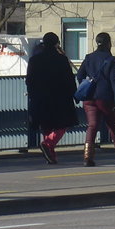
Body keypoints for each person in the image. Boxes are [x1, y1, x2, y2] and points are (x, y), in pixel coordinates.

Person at [76, 32, 115, 166]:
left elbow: (80, 75)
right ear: (109, 43)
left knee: (92, 126)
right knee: (113, 126)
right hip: (105, 98)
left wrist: (86, 85)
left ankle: (87, 157)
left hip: (89, 98)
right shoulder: (111, 59)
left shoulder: (88, 58)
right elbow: (114, 81)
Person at [25, 32, 79, 164]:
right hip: (60, 97)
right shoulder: (61, 59)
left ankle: (51, 155)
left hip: (40, 98)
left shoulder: (34, 60)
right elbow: (69, 79)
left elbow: (29, 80)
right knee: (64, 124)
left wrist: (32, 95)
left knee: (46, 125)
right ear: (56, 43)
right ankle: (48, 143)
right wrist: (74, 94)